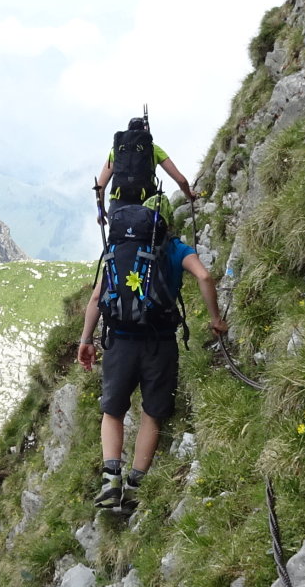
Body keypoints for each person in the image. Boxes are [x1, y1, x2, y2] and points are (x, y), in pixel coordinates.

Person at [76, 208, 227, 513]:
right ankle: (135, 486)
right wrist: (215, 318)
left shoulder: (119, 249)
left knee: (113, 412)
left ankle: (110, 481)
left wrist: (86, 340)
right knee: (152, 414)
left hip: (120, 342)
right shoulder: (174, 248)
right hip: (160, 343)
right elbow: (204, 276)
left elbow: (96, 298)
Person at [96, 119, 198, 207]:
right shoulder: (154, 149)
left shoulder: (117, 151)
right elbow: (181, 180)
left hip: (118, 206)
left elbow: (100, 187)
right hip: (147, 203)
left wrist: (101, 212)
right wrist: (189, 195)